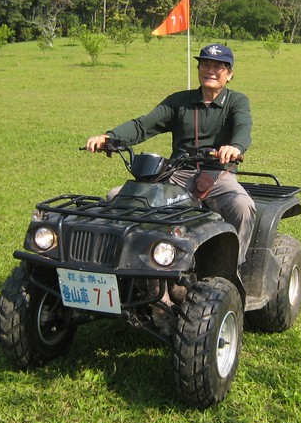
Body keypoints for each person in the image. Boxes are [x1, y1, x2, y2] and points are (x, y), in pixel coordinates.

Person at [86, 43, 256, 266]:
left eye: (218, 67)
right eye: (205, 64)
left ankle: (232, 270)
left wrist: (235, 147)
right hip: (176, 173)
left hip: (218, 175)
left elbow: (244, 127)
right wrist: (110, 137)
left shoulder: (236, 101)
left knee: (243, 207)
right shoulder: (180, 101)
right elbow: (143, 125)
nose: (210, 71)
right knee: (116, 197)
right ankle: (128, 264)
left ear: (229, 74)